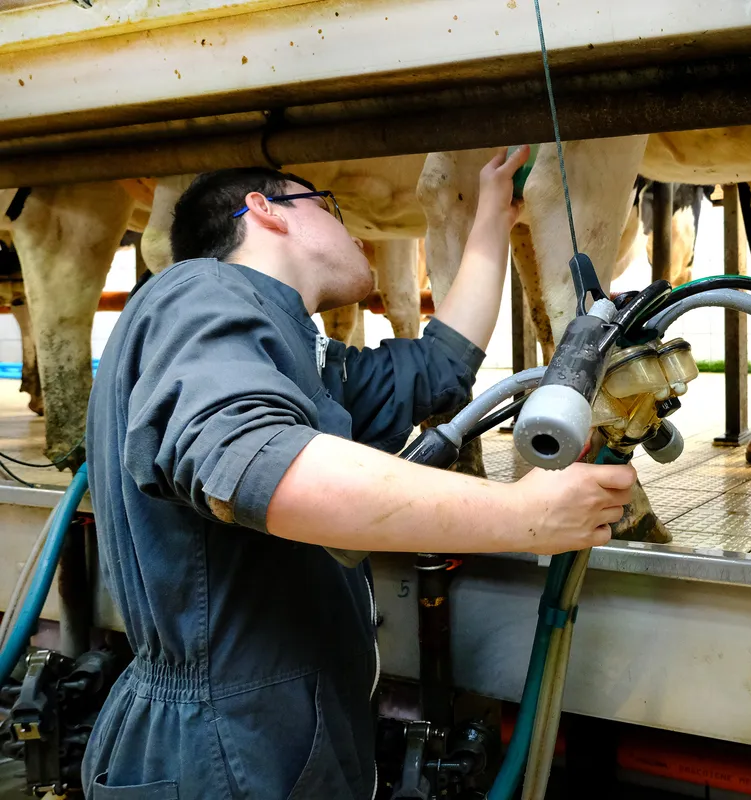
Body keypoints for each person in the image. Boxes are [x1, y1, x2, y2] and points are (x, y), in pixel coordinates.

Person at [81, 147, 636, 799]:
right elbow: (253, 462)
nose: (353, 229)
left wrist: (488, 219)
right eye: (329, 206)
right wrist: (525, 516)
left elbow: (436, 369)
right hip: (227, 746)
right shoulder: (201, 290)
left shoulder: (285, 346)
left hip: (265, 728)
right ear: (266, 211)